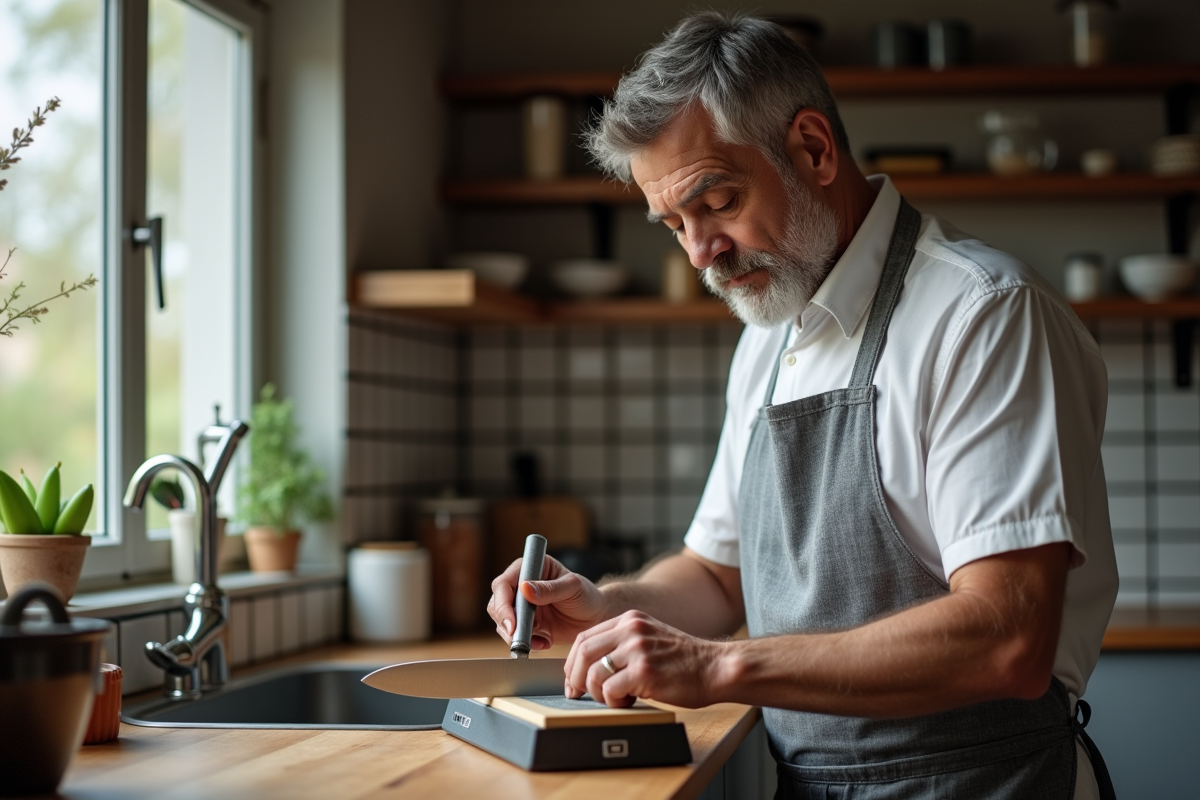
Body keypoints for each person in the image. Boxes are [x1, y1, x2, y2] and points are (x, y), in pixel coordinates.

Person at [487, 12, 1118, 799]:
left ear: (813, 149)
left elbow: (1008, 638)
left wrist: (720, 666)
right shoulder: (769, 335)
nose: (698, 253)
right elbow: (718, 579)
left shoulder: (982, 315)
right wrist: (609, 607)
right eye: (674, 224)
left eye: (716, 200)